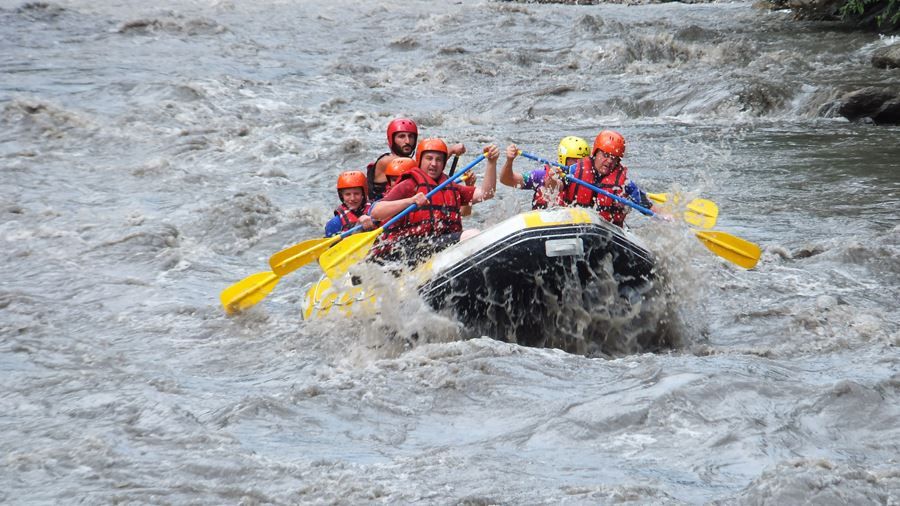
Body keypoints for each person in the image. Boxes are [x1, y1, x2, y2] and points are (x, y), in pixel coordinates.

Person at [369, 138, 500, 264]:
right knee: (472, 235)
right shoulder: (409, 184)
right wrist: (410, 201)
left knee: (475, 235)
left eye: (438, 160)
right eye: (429, 158)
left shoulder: (450, 186)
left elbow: (486, 193)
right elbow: (376, 212)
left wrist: (491, 162)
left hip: (439, 244)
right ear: (420, 160)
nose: (434, 163)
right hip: (409, 248)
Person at [542, 130, 651, 227]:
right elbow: (555, 188)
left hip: (608, 232)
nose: (609, 161)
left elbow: (648, 208)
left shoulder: (624, 184)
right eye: (605, 155)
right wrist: (552, 180)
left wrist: (665, 217)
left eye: (614, 158)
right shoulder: (575, 171)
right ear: (595, 153)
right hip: (574, 225)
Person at [366, 118, 466, 201]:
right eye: (401, 136)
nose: (407, 141)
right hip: (381, 210)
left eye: (411, 136)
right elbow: (420, 169)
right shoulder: (387, 160)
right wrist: (451, 150)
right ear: (391, 139)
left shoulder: (409, 161)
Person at [499, 136, 591, 209]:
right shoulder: (540, 176)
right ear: (563, 159)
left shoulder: (590, 182)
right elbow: (506, 180)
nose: (580, 165)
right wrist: (509, 161)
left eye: (583, 162)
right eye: (575, 161)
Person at [324, 171, 376, 237]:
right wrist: (358, 228)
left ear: (363, 194)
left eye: (356, 193)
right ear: (342, 196)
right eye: (347, 194)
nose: (352, 198)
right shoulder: (335, 223)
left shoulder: (376, 209)